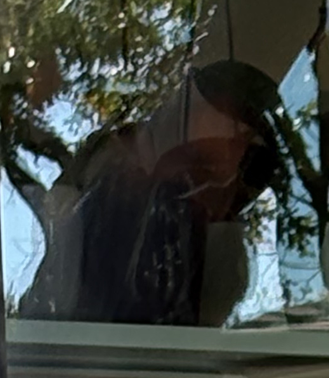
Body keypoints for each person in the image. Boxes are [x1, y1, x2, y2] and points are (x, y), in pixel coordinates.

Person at [20, 60, 285, 327]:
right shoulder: (104, 175)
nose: (235, 145)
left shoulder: (216, 224)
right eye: (231, 119)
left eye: (246, 133)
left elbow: (214, 309)